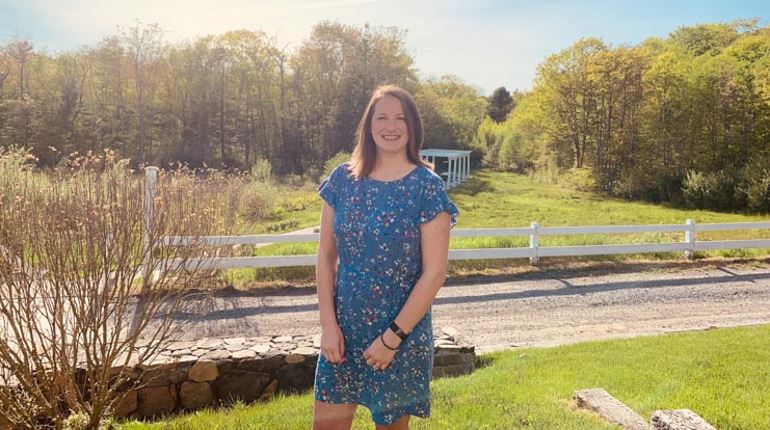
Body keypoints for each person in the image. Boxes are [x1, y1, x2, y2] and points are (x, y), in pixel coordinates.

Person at [312, 84, 460, 430]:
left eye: (400, 118)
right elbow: (326, 255)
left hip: (400, 338)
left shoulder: (427, 186)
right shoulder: (342, 179)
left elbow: (434, 273)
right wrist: (328, 326)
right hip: (343, 334)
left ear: (412, 127)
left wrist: (391, 339)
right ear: (369, 124)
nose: (390, 126)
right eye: (382, 117)